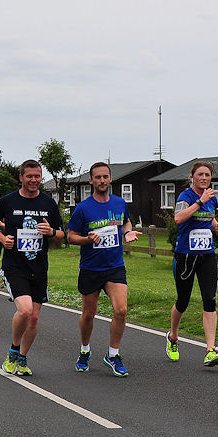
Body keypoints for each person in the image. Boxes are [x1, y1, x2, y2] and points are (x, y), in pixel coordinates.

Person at [0, 160, 65, 376]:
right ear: (21, 177)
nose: (33, 180)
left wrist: (50, 232)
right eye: (29, 176)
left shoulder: (48, 203)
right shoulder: (8, 201)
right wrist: (3, 239)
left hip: (39, 268)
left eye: (37, 176)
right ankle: (13, 349)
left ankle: (22, 358)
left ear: (41, 177)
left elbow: (61, 235)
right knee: (25, 310)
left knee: (35, 317)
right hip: (15, 266)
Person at [67, 162, 142, 377]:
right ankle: (84, 350)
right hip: (91, 268)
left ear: (110, 179)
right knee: (89, 314)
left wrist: (128, 232)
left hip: (115, 267)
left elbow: (126, 222)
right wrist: (87, 239)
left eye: (105, 177)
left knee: (121, 310)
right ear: (91, 180)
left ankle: (113, 354)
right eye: (98, 177)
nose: (102, 181)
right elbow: (71, 236)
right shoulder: (83, 208)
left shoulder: (119, 204)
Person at [166, 162, 218, 367]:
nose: (204, 178)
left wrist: (217, 227)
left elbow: (210, 218)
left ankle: (210, 349)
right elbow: (179, 218)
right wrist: (200, 201)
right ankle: (173, 337)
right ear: (192, 177)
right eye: (200, 174)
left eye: (207, 175)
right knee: (183, 301)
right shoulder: (186, 197)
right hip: (185, 255)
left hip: (207, 255)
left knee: (209, 299)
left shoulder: (212, 198)